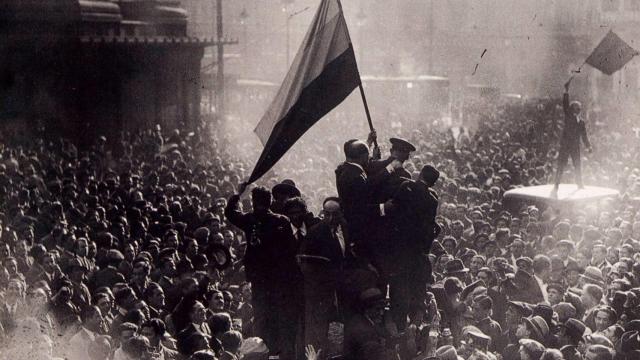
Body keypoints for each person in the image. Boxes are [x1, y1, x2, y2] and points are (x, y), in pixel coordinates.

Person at [225, 185, 299, 359]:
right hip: (279, 279)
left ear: (252, 202)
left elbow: (229, 213)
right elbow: (291, 249)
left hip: (258, 279)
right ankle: (280, 351)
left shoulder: (250, 220)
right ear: (270, 202)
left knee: (261, 315)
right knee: (279, 314)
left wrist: (237, 193)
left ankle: (262, 351)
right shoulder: (282, 221)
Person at [553, 77, 593, 192]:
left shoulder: (581, 122)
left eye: (578, 109)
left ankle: (579, 184)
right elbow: (565, 104)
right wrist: (566, 91)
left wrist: (588, 146)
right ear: (571, 109)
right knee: (561, 165)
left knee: (577, 165)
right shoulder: (568, 116)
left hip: (575, 146)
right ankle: (556, 184)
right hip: (565, 146)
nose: (576, 110)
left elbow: (584, 136)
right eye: (574, 108)